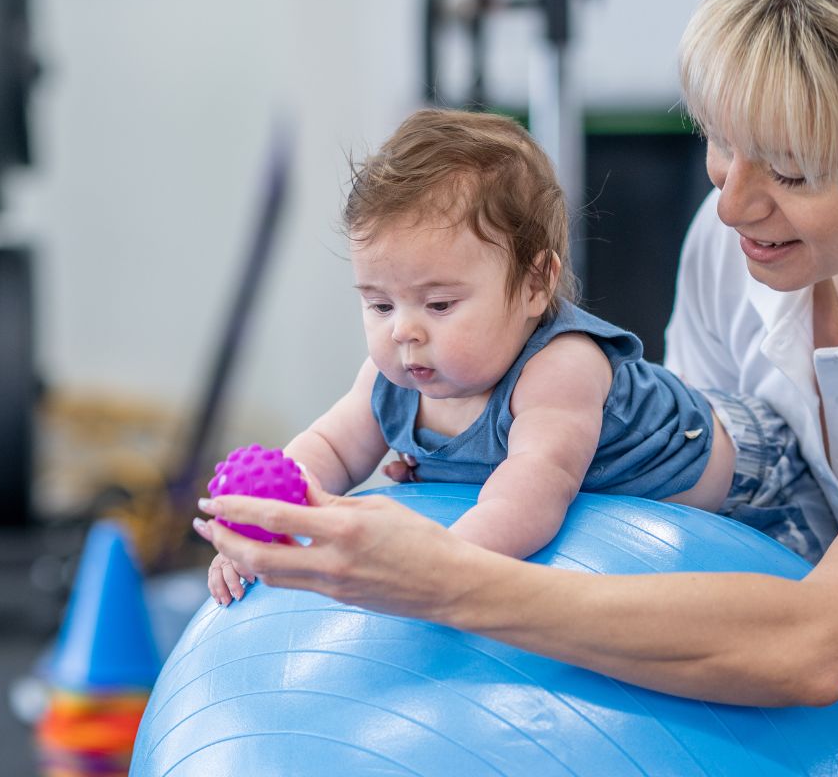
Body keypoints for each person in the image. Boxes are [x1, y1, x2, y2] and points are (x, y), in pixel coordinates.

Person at [193, 0, 838, 773]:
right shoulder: (746, 245)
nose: (730, 202)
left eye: (789, 169)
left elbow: (819, 642)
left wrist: (445, 580)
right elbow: (690, 530)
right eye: (720, 142)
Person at [207, 108, 740, 606]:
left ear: (535, 285)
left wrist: (436, 562)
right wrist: (263, 527)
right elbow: (330, 449)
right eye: (379, 304)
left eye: (439, 304)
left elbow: (534, 488)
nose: (404, 330)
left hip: (748, 483)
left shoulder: (560, 368)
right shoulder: (392, 379)